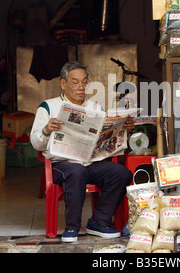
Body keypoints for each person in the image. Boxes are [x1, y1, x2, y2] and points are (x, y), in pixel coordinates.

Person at [30, 61, 134, 242]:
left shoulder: (96, 110)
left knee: (121, 173)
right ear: (63, 84)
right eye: (75, 82)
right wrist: (47, 129)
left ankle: (99, 222)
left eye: (84, 82)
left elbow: (106, 140)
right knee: (76, 172)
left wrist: (124, 129)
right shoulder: (48, 107)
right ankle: (72, 228)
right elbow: (36, 143)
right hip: (62, 164)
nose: (81, 87)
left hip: (91, 163)